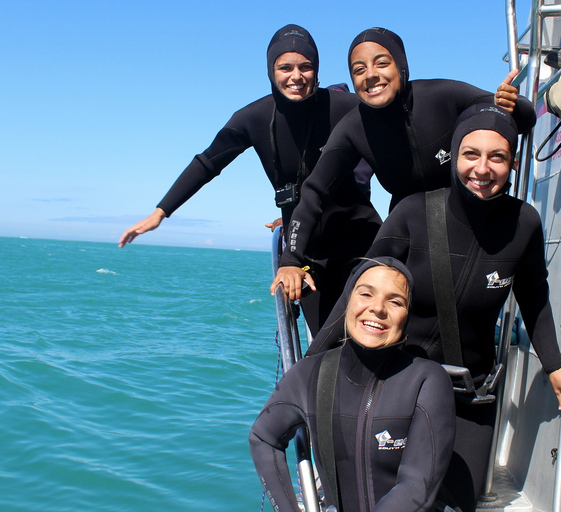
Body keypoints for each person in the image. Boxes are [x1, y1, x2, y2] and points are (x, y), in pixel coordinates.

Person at [307, 104, 561, 512]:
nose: (482, 168)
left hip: (468, 394)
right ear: (453, 155)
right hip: (393, 384)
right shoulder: (413, 212)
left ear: (513, 163)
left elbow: (533, 295)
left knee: (455, 503)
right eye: (471, 154)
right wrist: (308, 369)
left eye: (497, 156)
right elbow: (358, 292)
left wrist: (555, 363)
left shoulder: (524, 222)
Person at [117, 24, 381, 335]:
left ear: (317, 69)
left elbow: (398, 126)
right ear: (271, 71)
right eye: (285, 67)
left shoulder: (343, 107)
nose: (296, 76)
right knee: (327, 344)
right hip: (304, 251)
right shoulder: (253, 118)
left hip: (359, 240)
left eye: (305, 67)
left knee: (374, 336)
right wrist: (160, 213)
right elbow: (208, 163)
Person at [271, 27, 536, 303]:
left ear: (401, 65)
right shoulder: (354, 128)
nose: (371, 74)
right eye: (359, 70)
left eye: (382, 63)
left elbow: (523, 118)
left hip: (475, 228)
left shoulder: (441, 95)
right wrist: (291, 260)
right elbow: (314, 191)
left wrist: (513, 106)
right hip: (413, 239)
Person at [249, 257, 456, 512]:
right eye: (366, 294)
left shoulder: (427, 379)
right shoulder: (309, 374)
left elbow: (416, 486)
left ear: (406, 316)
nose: (378, 308)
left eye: (395, 301)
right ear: (348, 302)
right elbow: (263, 437)